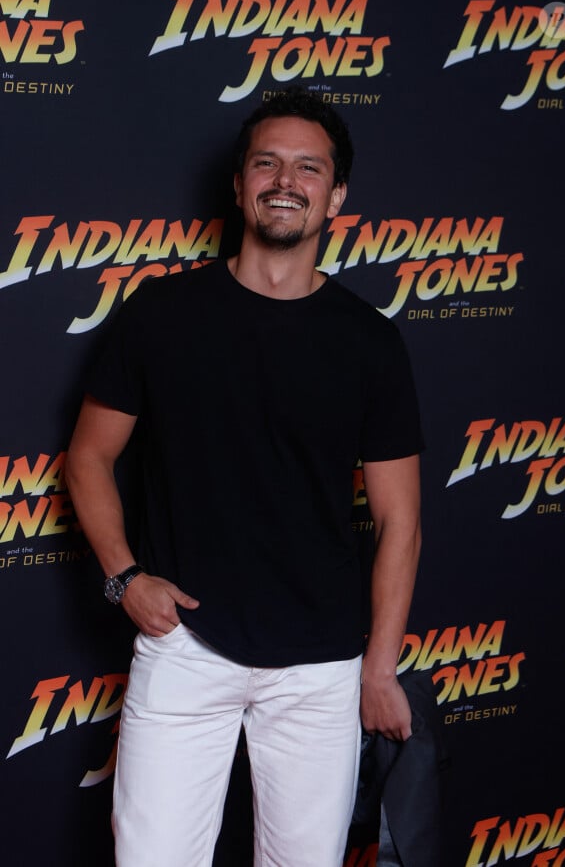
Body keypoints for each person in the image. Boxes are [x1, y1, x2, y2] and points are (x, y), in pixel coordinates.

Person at [66, 87, 423, 867]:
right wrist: (125, 578)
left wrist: (379, 667)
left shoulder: (369, 341)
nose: (285, 180)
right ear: (239, 184)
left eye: (308, 167)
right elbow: (88, 455)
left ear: (337, 195)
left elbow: (401, 519)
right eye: (267, 163)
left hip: (320, 667)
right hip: (186, 646)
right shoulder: (161, 313)